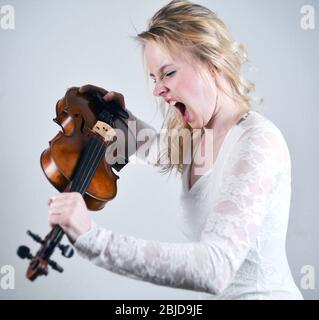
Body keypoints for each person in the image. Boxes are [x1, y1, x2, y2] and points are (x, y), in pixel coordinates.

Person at [48, 0, 303, 299]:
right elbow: (159, 150)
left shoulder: (258, 141)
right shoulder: (200, 134)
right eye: (154, 78)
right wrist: (121, 121)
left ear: (213, 62)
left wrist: (94, 238)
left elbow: (214, 268)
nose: (157, 90)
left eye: (168, 73)